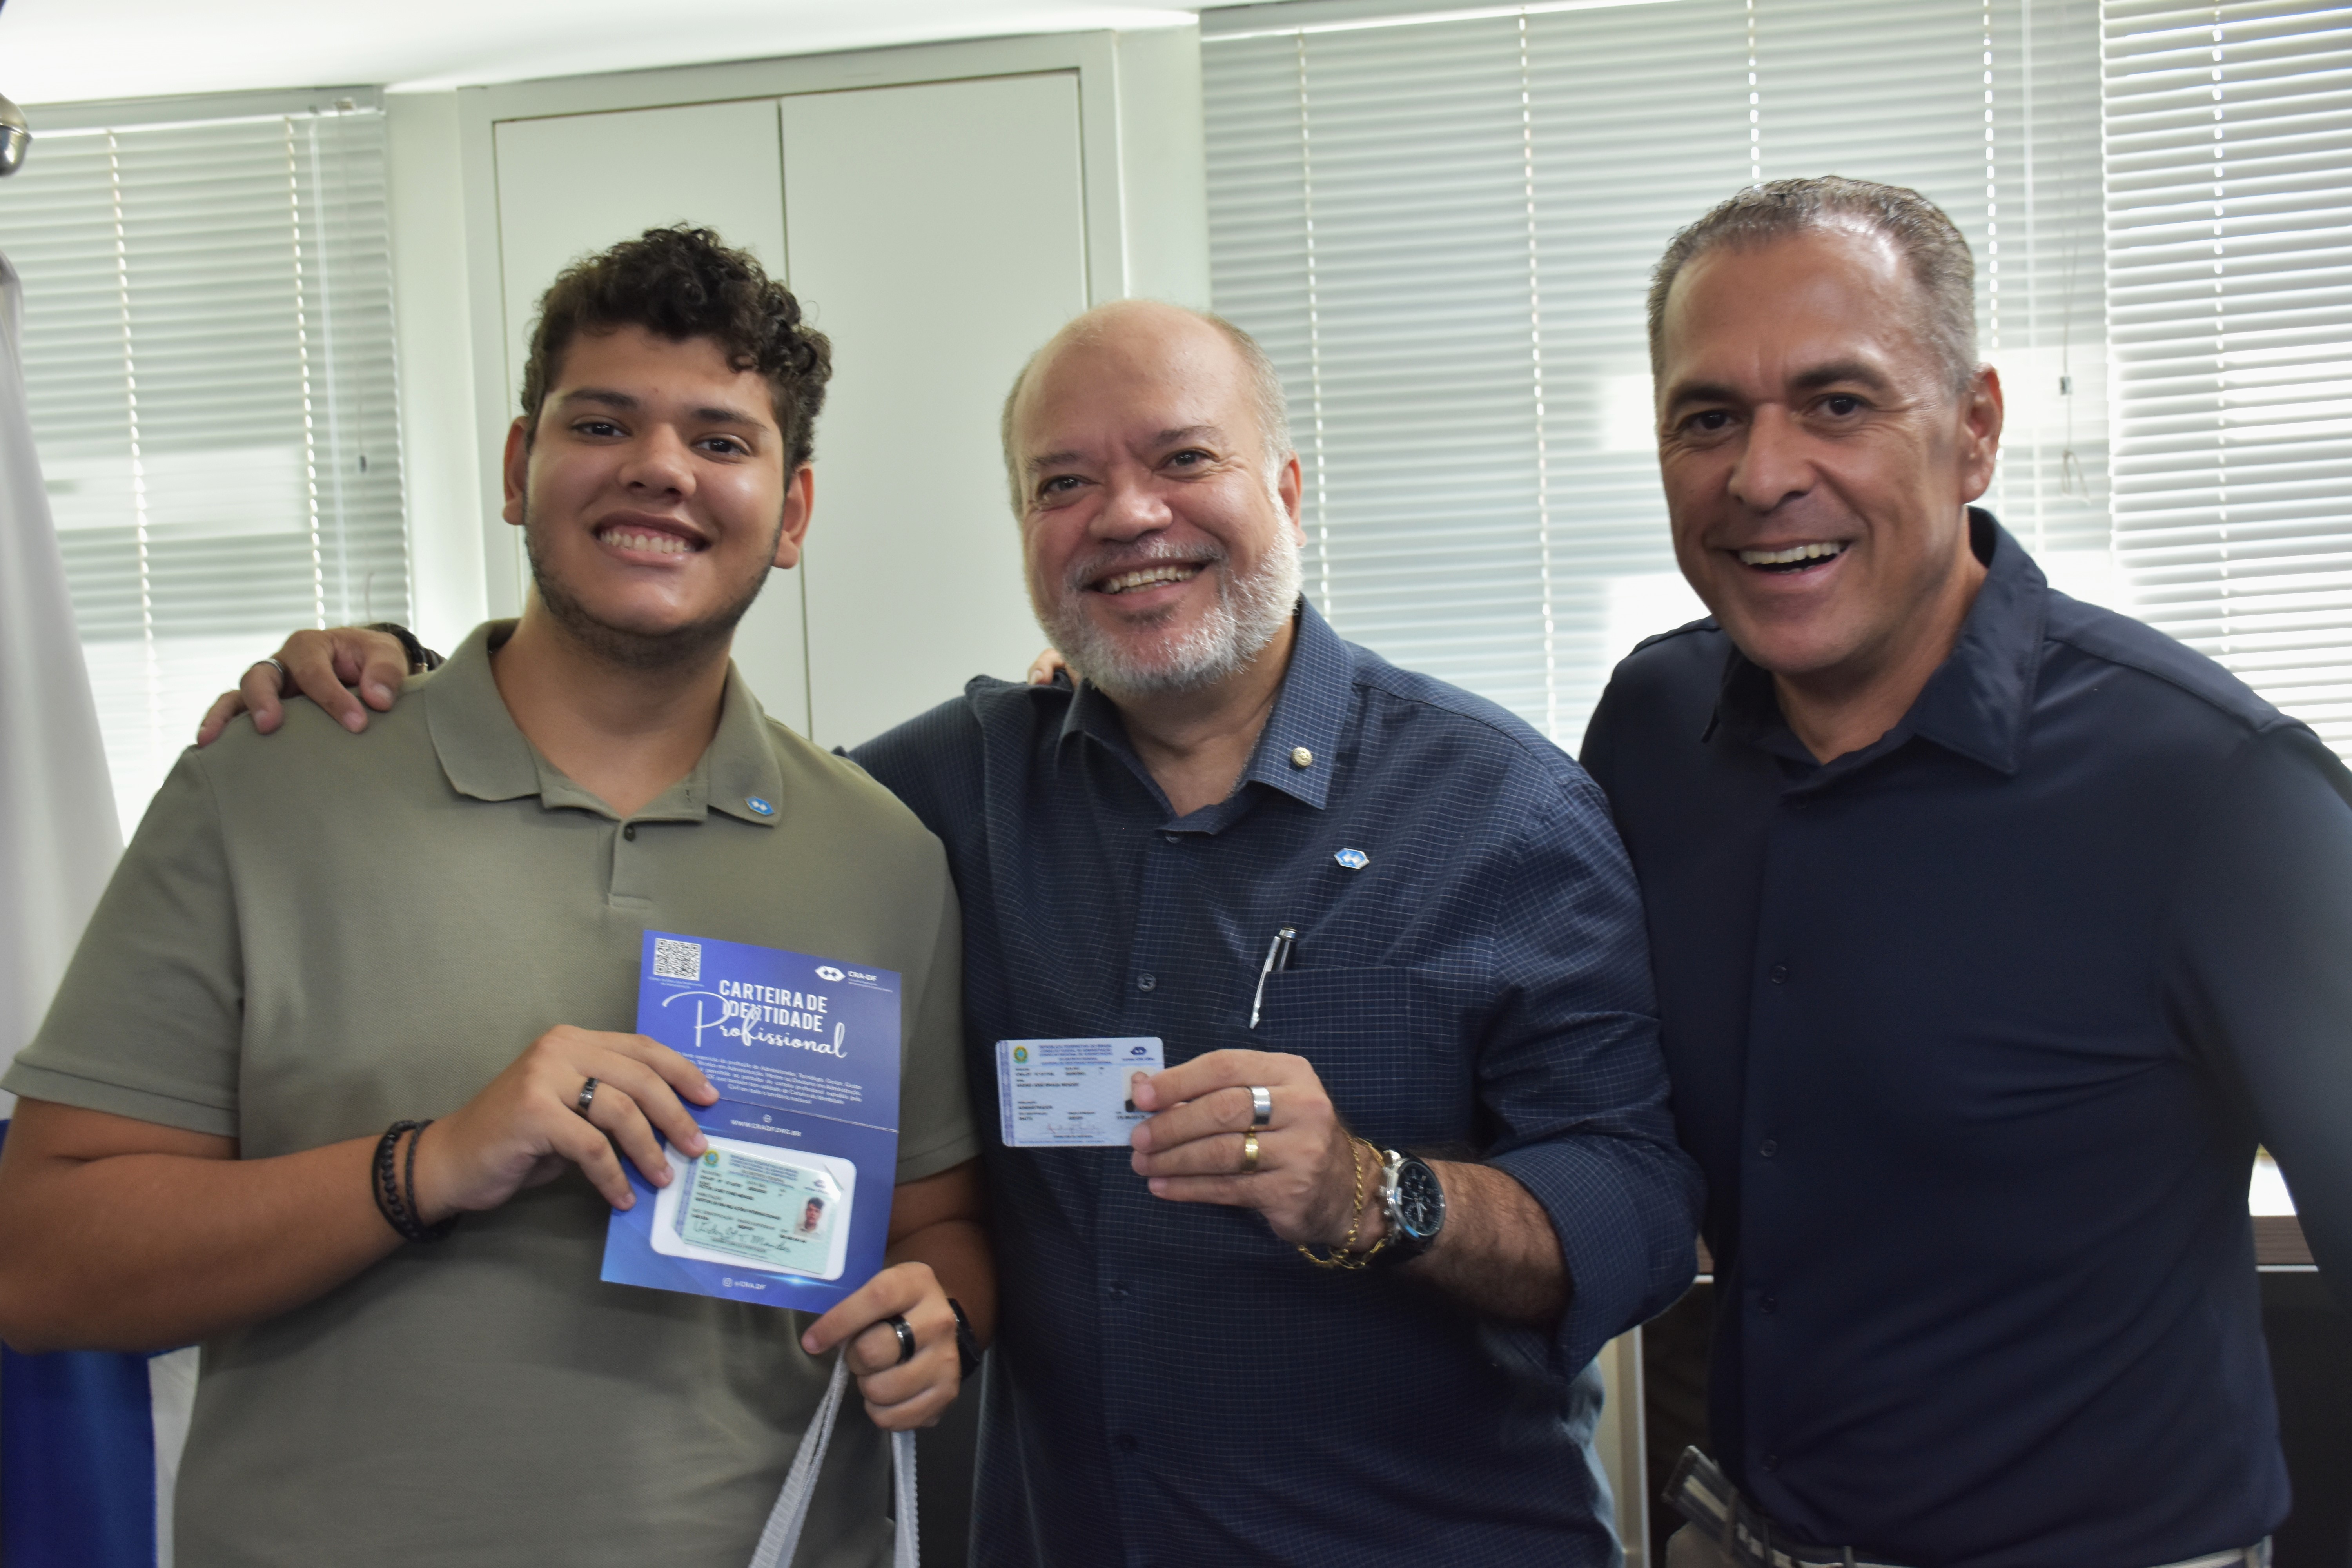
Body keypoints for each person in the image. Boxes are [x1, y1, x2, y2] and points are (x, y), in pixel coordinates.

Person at [202, 299, 1702, 1564]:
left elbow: (1639, 1214)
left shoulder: (1502, 808)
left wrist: (1375, 1193)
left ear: (1290, 490)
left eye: (1184, 459)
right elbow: (682, 777)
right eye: (1064, 482)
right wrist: (406, 685)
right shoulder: (943, 793)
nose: (1127, 514)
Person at [0, 227, 991, 1568]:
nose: (660, 468)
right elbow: (42, 1265)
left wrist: (939, 1319)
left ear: (793, 513)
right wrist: (430, 1163)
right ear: (520, 467)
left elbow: (937, 1229)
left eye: (720, 440)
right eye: (604, 423)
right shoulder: (269, 789)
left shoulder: (883, 856)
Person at [1580, 178, 2351, 1566]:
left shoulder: (2217, 788)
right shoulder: (1652, 729)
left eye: (1838, 403)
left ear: (1975, 431)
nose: (1762, 476)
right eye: (1709, 419)